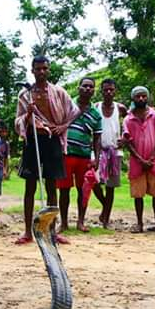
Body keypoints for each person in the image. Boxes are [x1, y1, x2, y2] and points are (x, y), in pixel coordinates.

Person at [14, 56, 78, 245]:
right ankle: (27, 232)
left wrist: (63, 126)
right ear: (32, 70)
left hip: (52, 141)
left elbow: (73, 112)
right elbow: (18, 121)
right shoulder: (25, 95)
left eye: (44, 68)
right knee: (30, 187)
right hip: (33, 141)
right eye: (38, 69)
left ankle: (51, 230)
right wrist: (29, 114)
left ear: (48, 70)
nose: (41, 72)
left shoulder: (58, 92)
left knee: (52, 186)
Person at [56, 77, 102, 234]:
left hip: (84, 156)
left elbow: (97, 138)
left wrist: (96, 158)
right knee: (64, 189)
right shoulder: (67, 105)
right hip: (66, 153)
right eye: (85, 86)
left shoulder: (96, 114)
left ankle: (81, 221)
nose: (88, 89)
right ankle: (63, 223)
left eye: (91, 87)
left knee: (83, 190)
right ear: (79, 88)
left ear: (94, 91)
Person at [121, 86, 155, 233]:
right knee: (138, 195)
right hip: (137, 162)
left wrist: (152, 157)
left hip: (154, 161)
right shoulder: (128, 119)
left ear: (147, 98)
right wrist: (140, 159)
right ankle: (139, 223)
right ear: (133, 98)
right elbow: (128, 141)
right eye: (138, 96)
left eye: (143, 96)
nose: (141, 99)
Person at [93, 78, 128, 228]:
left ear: (115, 91)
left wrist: (125, 138)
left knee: (110, 186)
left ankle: (106, 218)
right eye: (106, 89)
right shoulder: (96, 107)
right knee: (94, 181)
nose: (108, 92)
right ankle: (105, 206)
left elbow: (129, 123)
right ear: (101, 91)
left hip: (115, 151)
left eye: (111, 90)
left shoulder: (120, 108)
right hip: (99, 151)